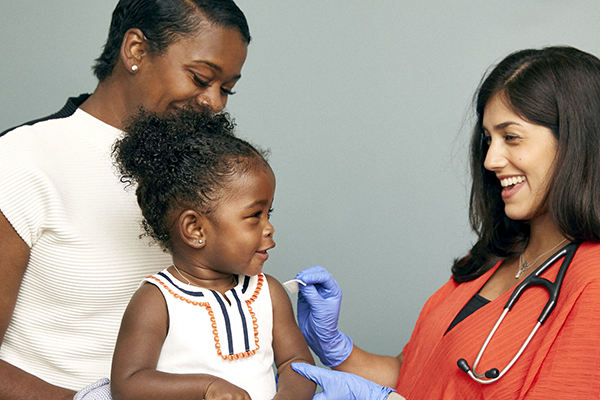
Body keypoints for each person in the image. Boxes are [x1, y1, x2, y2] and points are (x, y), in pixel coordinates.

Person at [291, 46, 600, 399]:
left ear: (577, 142)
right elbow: (416, 374)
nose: (491, 160)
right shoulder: (488, 260)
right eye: (488, 139)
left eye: (510, 137)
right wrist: (338, 349)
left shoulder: (592, 282)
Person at [0, 1, 250, 398]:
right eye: (201, 78)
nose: (215, 103)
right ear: (135, 50)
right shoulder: (23, 160)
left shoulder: (202, 172)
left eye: (227, 89)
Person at [109, 107, 316, 400]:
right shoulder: (158, 299)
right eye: (255, 215)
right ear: (195, 229)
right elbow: (128, 384)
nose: (269, 228)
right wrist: (206, 387)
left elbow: (297, 362)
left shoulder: (268, 292)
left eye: (269, 213)